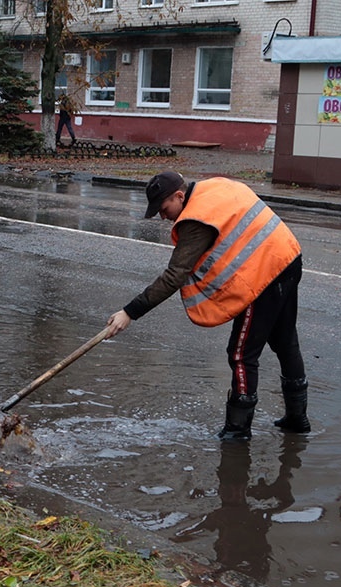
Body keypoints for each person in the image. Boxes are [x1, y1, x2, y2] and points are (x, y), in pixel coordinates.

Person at [106, 171, 311, 441]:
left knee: (241, 354)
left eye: (164, 208)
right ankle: (297, 420)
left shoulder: (196, 219)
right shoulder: (214, 187)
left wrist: (130, 312)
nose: (163, 217)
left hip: (264, 273)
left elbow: (174, 275)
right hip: (287, 256)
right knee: (285, 342)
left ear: (179, 196)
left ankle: (237, 430)